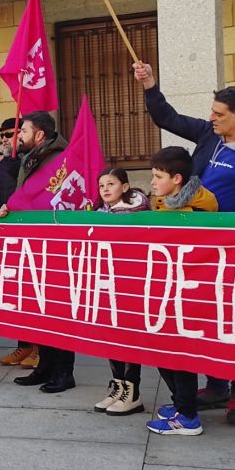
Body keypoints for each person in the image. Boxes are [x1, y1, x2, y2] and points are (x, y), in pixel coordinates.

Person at [135, 62, 235, 426]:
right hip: (198, 242)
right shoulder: (209, 135)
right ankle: (216, 383)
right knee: (206, 315)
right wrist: (150, 85)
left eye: (219, 114)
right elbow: (166, 117)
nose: (211, 118)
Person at [145, 146, 218, 436]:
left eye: (158, 176)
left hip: (191, 289)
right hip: (166, 285)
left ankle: (188, 416)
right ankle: (181, 403)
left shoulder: (203, 207)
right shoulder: (161, 202)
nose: (152, 182)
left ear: (177, 178)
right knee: (162, 350)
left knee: (179, 352)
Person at [0, 111, 70, 387]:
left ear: (39, 135)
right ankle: (45, 366)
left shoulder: (56, 160)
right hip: (35, 246)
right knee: (40, 310)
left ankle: (64, 371)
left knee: (58, 311)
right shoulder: (34, 158)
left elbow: (46, 198)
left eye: (23, 131)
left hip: (54, 247)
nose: (19, 136)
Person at [91, 169, 150, 416]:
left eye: (111, 184)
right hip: (107, 282)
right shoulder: (98, 215)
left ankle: (132, 390)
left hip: (130, 284)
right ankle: (117, 385)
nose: (105, 189)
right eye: (101, 185)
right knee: (110, 336)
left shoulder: (140, 213)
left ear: (125, 187)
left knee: (128, 337)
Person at [0, 118, 22, 214]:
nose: (4, 139)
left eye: (8, 135)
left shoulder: (30, 161)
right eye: (2, 135)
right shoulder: (1, 166)